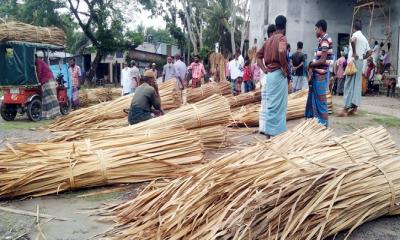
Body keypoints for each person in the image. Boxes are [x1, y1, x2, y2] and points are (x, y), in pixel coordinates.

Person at [256, 15, 289, 138]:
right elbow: (281, 51)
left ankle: (269, 133)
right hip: (278, 73)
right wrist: (284, 67)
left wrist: (264, 69)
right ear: (285, 26)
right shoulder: (282, 38)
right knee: (279, 105)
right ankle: (277, 135)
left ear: (276, 25)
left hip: (269, 75)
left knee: (271, 104)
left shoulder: (268, 40)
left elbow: (258, 56)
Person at [339, 19, 371, 117]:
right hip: (360, 61)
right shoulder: (364, 38)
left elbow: (353, 40)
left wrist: (354, 52)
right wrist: (362, 57)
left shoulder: (355, 35)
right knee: (357, 84)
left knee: (348, 84)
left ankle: (345, 109)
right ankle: (355, 108)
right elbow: (370, 52)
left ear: (354, 28)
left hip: (353, 61)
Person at [305, 19, 332, 127]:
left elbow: (322, 60)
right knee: (317, 100)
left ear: (320, 29)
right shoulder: (323, 40)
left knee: (321, 101)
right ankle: (319, 123)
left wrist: (311, 64)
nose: (315, 31)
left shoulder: (325, 40)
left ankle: (323, 125)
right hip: (319, 74)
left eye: (316, 29)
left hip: (320, 75)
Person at [35, 55, 60, 119]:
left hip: (48, 81)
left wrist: (37, 81)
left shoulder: (38, 61)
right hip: (47, 81)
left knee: (52, 98)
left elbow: (39, 72)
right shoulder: (39, 61)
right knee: (46, 99)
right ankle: (46, 115)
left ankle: (57, 114)